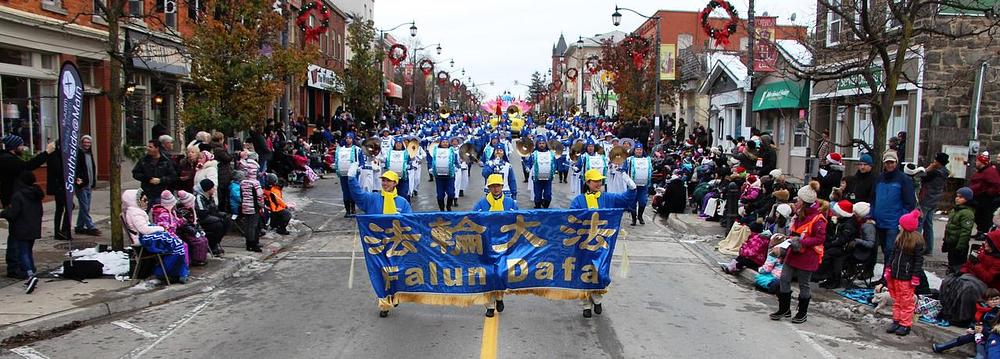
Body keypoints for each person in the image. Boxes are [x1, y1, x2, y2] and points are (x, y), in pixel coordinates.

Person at [345, 166, 412, 318]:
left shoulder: (402, 202)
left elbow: (411, 223)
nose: (385, 183)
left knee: (396, 273)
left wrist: (400, 220)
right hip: (376, 246)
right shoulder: (372, 199)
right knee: (380, 274)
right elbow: (357, 194)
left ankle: (395, 294)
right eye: (383, 180)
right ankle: (384, 303)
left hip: (396, 246)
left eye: (388, 181)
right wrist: (351, 178)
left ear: (395, 183)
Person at [569, 169, 637, 318]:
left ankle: (597, 299)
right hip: (584, 244)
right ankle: (586, 305)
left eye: (600, 180)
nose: (598, 183)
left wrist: (632, 187)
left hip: (602, 244)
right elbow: (571, 218)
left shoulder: (608, 198)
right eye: (595, 181)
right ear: (587, 183)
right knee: (585, 273)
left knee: (600, 272)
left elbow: (626, 199)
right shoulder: (579, 200)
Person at [770, 181, 827, 324]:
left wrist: (801, 241)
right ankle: (784, 309)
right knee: (784, 278)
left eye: (799, 199)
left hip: (808, 255)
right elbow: (794, 233)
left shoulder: (818, 218)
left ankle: (802, 313)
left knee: (804, 284)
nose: (796, 201)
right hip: (794, 252)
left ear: (806, 202)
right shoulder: (798, 215)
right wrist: (785, 241)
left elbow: (820, 238)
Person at [472, 174, 518, 318]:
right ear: (489, 188)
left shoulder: (511, 203)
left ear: (502, 187)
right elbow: (473, 222)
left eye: (498, 185)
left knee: (501, 274)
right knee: (488, 274)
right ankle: (490, 306)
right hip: (487, 244)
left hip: (505, 245)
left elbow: (519, 220)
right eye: (493, 186)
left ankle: (499, 297)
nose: (496, 188)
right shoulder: (481, 204)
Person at [121, 189, 189, 283]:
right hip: (144, 239)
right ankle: (171, 272)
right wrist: (161, 228)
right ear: (136, 201)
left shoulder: (135, 211)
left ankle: (175, 272)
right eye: (144, 200)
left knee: (176, 244)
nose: (147, 202)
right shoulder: (135, 213)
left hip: (146, 237)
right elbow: (144, 229)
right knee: (177, 245)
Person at [870, 150, 916, 276]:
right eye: (887, 162)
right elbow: (873, 198)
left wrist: (901, 219)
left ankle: (887, 277)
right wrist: (872, 214)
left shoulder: (904, 179)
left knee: (890, 251)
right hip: (879, 221)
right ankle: (886, 276)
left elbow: (909, 202)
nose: (889, 165)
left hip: (894, 223)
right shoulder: (879, 178)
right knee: (885, 250)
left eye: (892, 162)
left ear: (896, 162)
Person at [884, 209, 925, 336]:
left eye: (900, 225)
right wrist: (888, 267)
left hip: (906, 277)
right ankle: (896, 320)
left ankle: (905, 324)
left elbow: (918, 261)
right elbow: (893, 255)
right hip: (895, 275)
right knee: (897, 299)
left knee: (906, 301)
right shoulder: (899, 239)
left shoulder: (916, 242)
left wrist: (915, 276)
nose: (898, 226)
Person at [1, 172, 44, 293]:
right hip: (33, 227)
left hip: (21, 228)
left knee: (23, 253)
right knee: (28, 251)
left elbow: (13, 213)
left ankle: (30, 275)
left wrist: (4, 213)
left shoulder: (18, 195)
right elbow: (40, 212)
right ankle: (31, 271)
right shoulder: (37, 194)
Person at [932, 288, 1000, 355]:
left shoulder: (997, 311)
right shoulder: (982, 310)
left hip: (993, 336)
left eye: (997, 299)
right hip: (980, 334)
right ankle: (942, 346)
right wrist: (971, 328)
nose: (994, 301)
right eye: (991, 299)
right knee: (967, 337)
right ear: (986, 301)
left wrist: (982, 330)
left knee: (981, 346)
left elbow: (994, 328)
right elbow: (975, 322)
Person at [817, 200, 857, 289]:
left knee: (828, 254)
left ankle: (828, 277)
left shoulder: (849, 224)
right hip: (839, 245)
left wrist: (831, 243)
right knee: (827, 251)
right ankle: (828, 277)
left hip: (844, 248)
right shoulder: (842, 221)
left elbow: (843, 239)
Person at [132, 140, 177, 205]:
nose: (148, 148)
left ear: (157, 148)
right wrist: (147, 179)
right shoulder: (143, 160)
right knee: (143, 212)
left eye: (150, 147)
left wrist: (160, 180)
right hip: (146, 192)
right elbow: (135, 173)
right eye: (147, 146)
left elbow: (173, 176)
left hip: (161, 193)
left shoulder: (166, 161)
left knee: (160, 213)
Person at [943, 187, 976, 274]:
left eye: (961, 197)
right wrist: (945, 240)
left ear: (967, 199)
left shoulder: (967, 213)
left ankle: (956, 277)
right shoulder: (955, 210)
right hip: (951, 242)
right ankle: (951, 274)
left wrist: (961, 246)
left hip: (958, 244)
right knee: (951, 261)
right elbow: (949, 226)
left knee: (958, 265)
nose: (957, 198)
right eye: (957, 196)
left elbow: (966, 231)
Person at [74, 135, 100, 236]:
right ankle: (91, 227)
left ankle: (79, 226)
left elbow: (91, 169)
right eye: (85, 142)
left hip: (89, 184)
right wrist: (77, 179)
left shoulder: (90, 154)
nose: (87, 144)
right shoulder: (79, 154)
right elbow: (75, 168)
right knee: (84, 206)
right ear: (81, 143)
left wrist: (93, 182)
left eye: (88, 142)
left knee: (85, 207)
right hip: (81, 185)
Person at [334, 133, 365, 217]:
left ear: (353, 139)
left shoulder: (357, 149)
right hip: (343, 174)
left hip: (353, 174)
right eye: (347, 138)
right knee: (345, 192)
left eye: (350, 138)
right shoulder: (340, 149)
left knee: (353, 190)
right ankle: (347, 210)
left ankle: (353, 209)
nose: (348, 140)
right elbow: (337, 160)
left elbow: (362, 161)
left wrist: (360, 167)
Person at [45, 143, 72, 241]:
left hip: (61, 186)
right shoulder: (54, 156)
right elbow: (59, 171)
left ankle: (60, 230)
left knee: (60, 208)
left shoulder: (58, 156)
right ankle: (61, 230)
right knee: (66, 207)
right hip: (59, 187)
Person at [195, 179, 227, 256]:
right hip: (202, 220)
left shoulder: (210, 197)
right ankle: (212, 245)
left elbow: (215, 210)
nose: (214, 189)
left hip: (210, 217)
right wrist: (216, 217)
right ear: (207, 189)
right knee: (218, 225)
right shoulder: (199, 197)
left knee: (227, 220)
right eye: (212, 188)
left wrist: (222, 215)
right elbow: (202, 213)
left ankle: (216, 242)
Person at [237, 168, 265, 253]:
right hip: (254, 207)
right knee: (253, 226)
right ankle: (253, 243)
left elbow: (241, 195)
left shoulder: (242, 183)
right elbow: (260, 196)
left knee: (247, 225)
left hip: (245, 206)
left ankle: (248, 243)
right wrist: (262, 206)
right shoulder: (255, 183)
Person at [971, 153, 1000, 234]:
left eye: (977, 161)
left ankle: (984, 232)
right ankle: (980, 231)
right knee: (978, 215)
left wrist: (987, 193)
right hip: (978, 196)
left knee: (984, 216)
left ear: (982, 162)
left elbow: (996, 184)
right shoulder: (981, 172)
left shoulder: (990, 172)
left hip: (985, 198)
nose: (976, 162)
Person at [624, 144, 653, 225]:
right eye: (637, 149)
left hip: (643, 186)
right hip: (633, 186)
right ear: (634, 150)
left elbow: (650, 170)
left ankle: (640, 216)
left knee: (643, 202)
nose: (639, 151)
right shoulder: (629, 160)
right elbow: (624, 170)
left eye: (640, 149)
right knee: (632, 203)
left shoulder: (647, 160)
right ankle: (634, 219)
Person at [430, 137, 459, 211]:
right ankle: (442, 209)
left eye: (446, 142)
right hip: (439, 177)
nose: (445, 143)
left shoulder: (452, 151)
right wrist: (431, 168)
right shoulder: (435, 151)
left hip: (450, 176)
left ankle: (448, 207)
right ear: (440, 143)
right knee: (440, 195)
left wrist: (456, 167)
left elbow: (456, 163)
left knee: (451, 193)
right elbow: (433, 161)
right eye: (443, 142)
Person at [526, 137, 556, 209]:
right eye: (540, 143)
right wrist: (527, 167)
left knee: (548, 195)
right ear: (537, 144)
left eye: (543, 143)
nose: (541, 145)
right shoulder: (534, 154)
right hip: (537, 179)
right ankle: (538, 208)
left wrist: (554, 170)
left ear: (546, 144)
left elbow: (554, 163)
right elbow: (529, 163)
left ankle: (546, 208)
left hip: (548, 178)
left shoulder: (551, 154)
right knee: (538, 195)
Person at [383, 137, 412, 203]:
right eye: (397, 143)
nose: (398, 145)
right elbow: (386, 164)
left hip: (403, 178)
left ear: (402, 144)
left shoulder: (406, 153)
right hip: (392, 179)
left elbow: (410, 164)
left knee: (404, 195)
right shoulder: (390, 153)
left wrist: (408, 166)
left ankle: (406, 209)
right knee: (393, 195)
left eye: (400, 143)